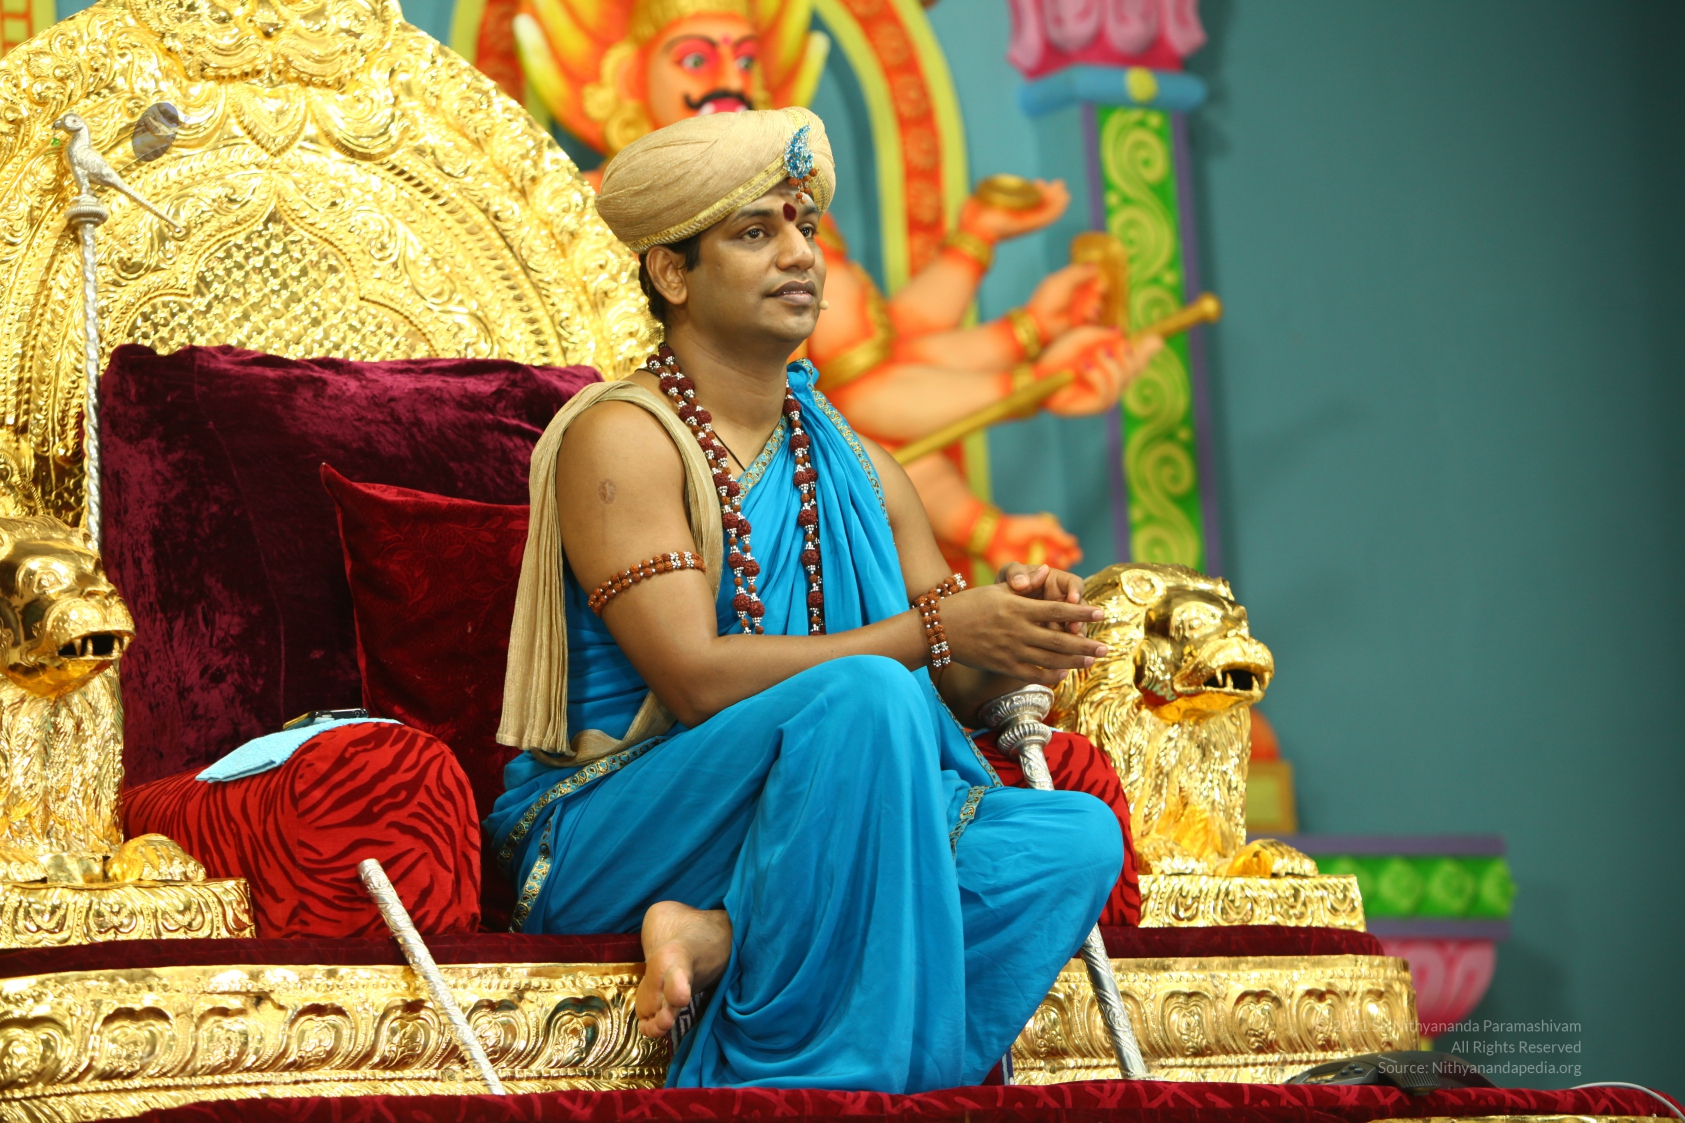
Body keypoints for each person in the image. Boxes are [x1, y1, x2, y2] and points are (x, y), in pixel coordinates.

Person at [488, 107, 1123, 1093]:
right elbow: (694, 680)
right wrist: (937, 629)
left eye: (806, 227)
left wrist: (1011, 630)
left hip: (825, 806)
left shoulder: (860, 465)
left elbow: (947, 681)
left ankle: (724, 933)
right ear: (670, 273)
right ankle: (806, 1085)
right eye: (755, 232)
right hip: (624, 819)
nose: (799, 256)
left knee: (1070, 841)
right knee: (866, 695)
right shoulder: (623, 439)